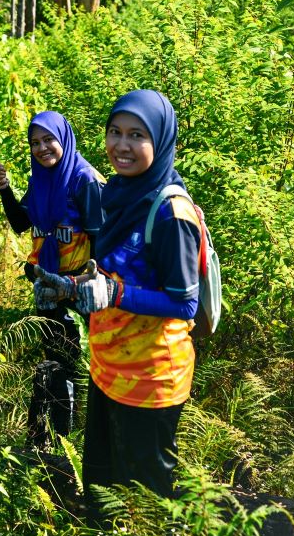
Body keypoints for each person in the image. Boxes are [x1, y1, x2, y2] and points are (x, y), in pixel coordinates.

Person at [36, 90, 202, 498]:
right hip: (107, 369)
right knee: (101, 486)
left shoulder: (170, 213)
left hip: (151, 380)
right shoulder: (115, 195)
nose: (121, 146)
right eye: (115, 132)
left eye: (137, 136)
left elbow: (185, 302)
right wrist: (69, 289)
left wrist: (114, 293)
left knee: (145, 500)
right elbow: (109, 278)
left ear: (161, 141)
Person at [0, 111, 104, 449]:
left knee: (93, 364)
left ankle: (86, 444)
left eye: (48, 140)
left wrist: (89, 281)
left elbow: (104, 237)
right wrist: (4, 188)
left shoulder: (85, 179)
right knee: (57, 362)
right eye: (34, 143)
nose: (42, 148)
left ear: (64, 138)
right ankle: (54, 447)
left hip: (82, 288)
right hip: (48, 286)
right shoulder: (41, 180)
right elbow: (23, 224)